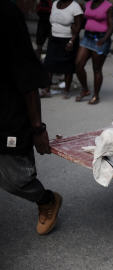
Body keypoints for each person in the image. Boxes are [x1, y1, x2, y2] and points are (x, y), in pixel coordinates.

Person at [1, 1, 62, 235]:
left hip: (7, 112)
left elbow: (26, 70)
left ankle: (46, 199)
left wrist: (38, 129)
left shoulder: (6, 12)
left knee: (16, 178)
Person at [41, 0, 83, 99]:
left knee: (67, 66)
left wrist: (71, 41)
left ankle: (66, 90)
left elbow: (78, 26)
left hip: (67, 41)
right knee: (49, 64)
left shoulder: (75, 7)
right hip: (54, 39)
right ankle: (47, 90)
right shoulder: (55, 4)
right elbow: (52, 22)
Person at [75, 0, 113, 105]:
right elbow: (84, 20)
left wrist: (104, 39)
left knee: (96, 68)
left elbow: (112, 26)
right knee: (78, 64)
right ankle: (85, 89)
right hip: (87, 37)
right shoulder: (88, 4)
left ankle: (96, 95)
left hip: (101, 39)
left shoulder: (108, 6)